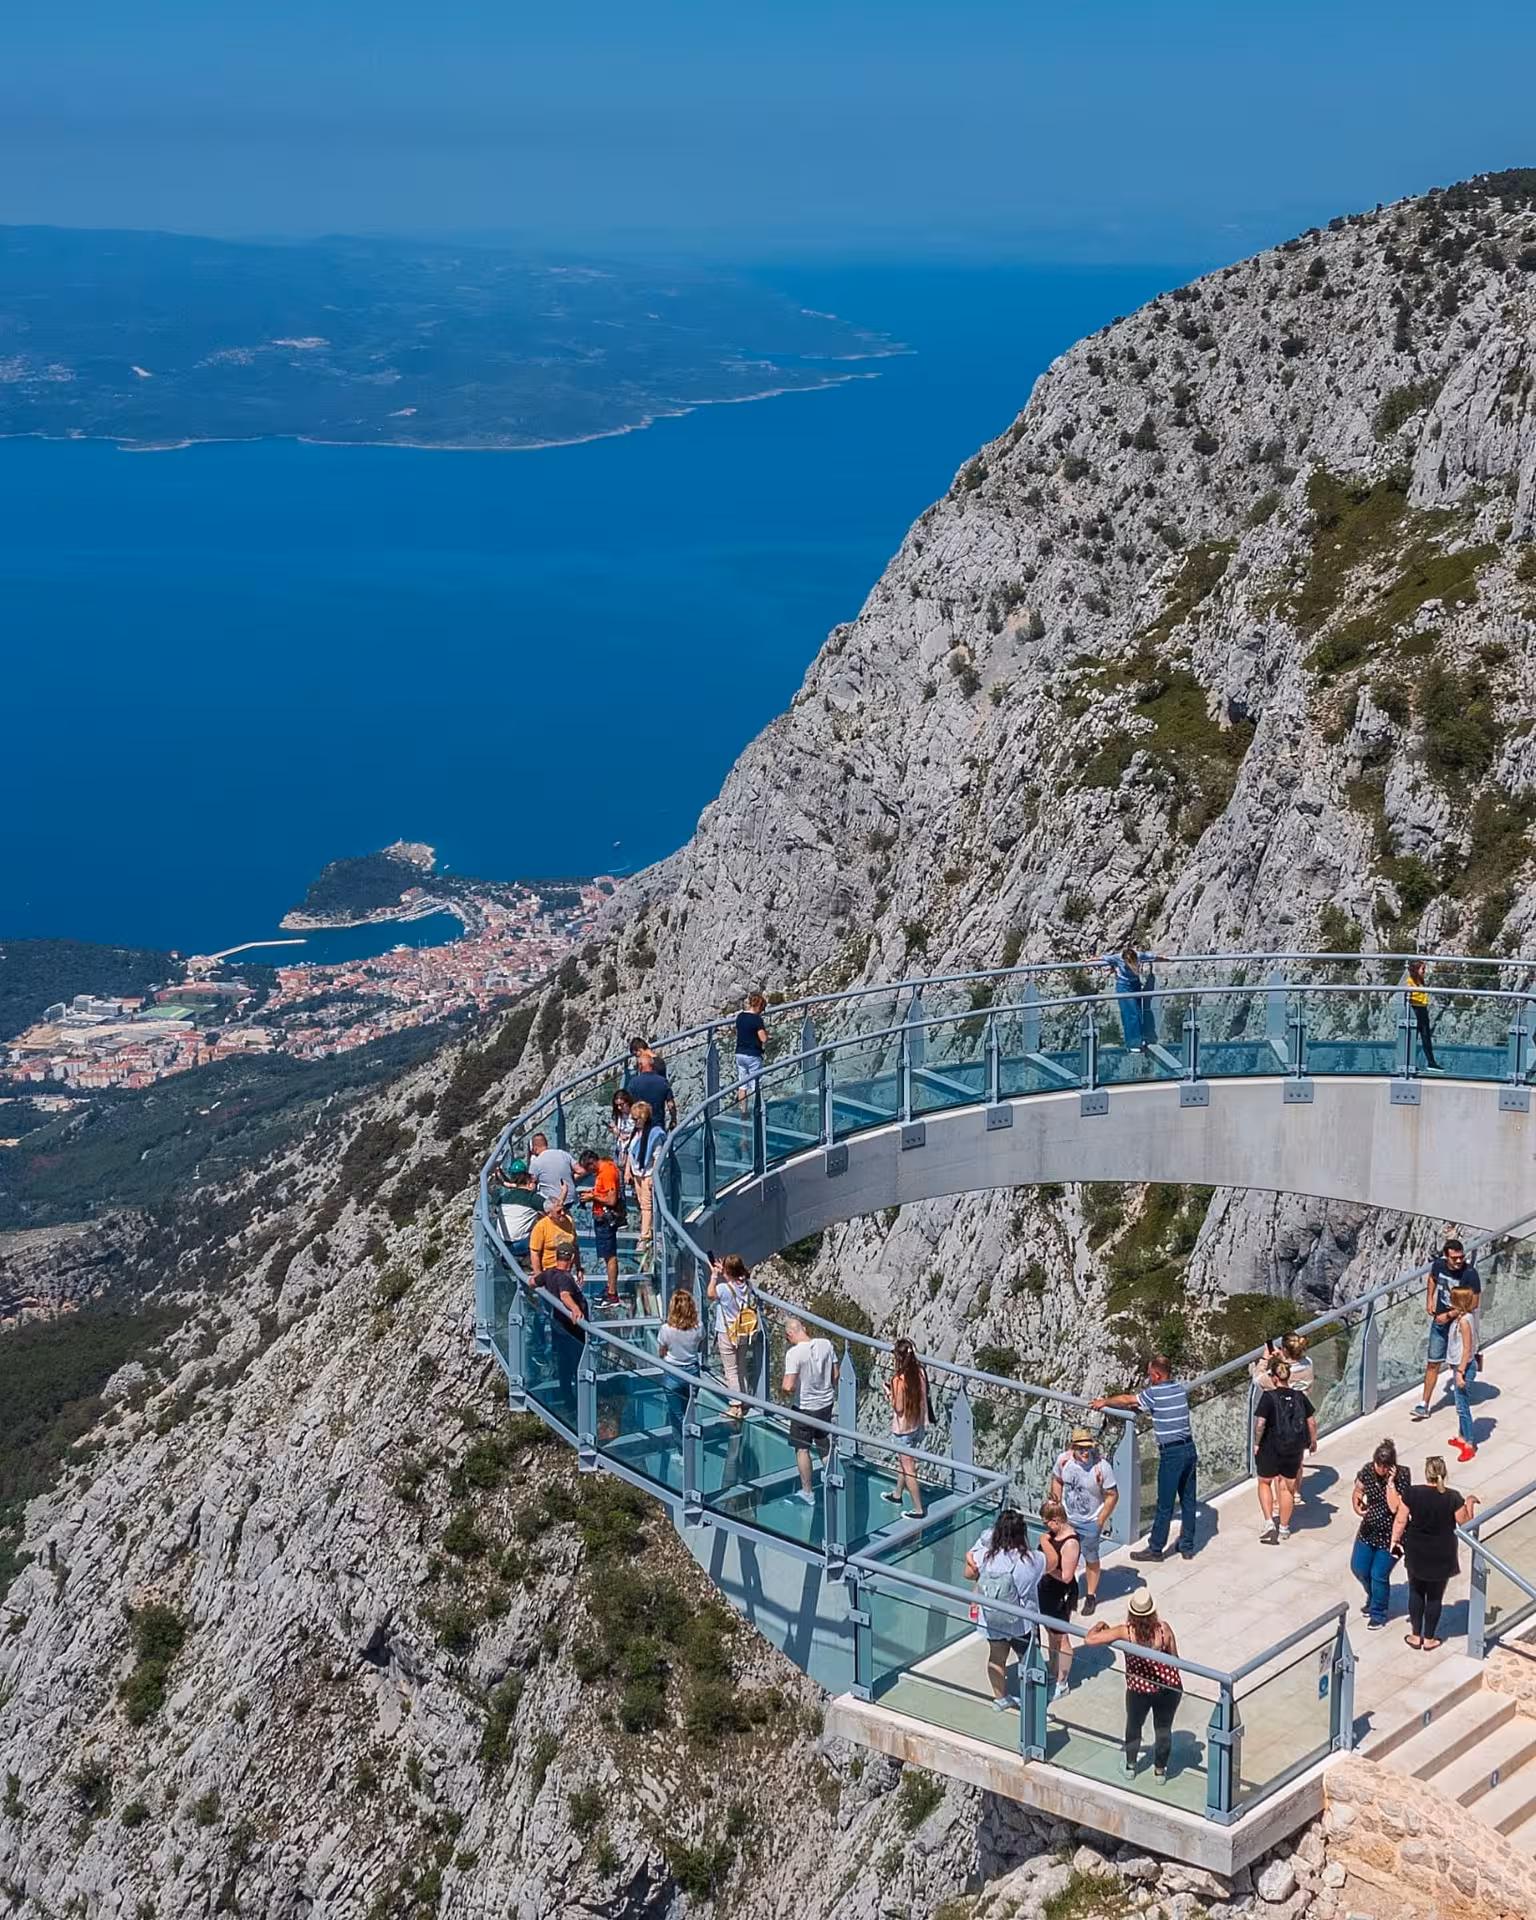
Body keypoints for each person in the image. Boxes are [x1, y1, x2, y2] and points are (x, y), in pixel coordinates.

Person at [1093, 1357, 1198, 1561]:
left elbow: (1126, 1400)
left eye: (1150, 1375)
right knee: (1188, 1499)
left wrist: (1104, 1402)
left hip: (1172, 1453)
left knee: (1165, 1504)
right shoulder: (1178, 1388)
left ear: (1157, 1375)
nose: (1149, 1379)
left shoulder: (1155, 1393)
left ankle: (1156, 1548)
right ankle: (1187, 1546)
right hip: (1189, 1448)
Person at [1084, 1589, 1184, 1781]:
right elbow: (1175, 1659)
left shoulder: (1126, 1632)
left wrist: (1099, 1625)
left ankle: (1130, 1766)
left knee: (1134, 1725)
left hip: (1139, 1689)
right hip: (1168, 1688)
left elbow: (1090, 1639)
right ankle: (1160, 1771)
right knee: (1163, 1729)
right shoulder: (1164, 1629)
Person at [1388, 1456, 1480, 1650]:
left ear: (1426, 1473)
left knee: (1416, 1592)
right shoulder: (1453, 1497)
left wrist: (1394, 1541)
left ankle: (1415, 1635)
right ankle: (1429, 1638)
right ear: (1444, 1474)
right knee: (1435, 1597)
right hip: (1442, 1554)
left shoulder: (1412, 1493)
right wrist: (1469, 1502)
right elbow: (1467, 1524)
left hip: (1416, 1551)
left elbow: (1400, 1520)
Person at [964, 1509, 1045, 1712]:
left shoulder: (985, 1556)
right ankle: (1031, 1703)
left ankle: (1000, 1698)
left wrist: (971, 1555)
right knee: (1029, 1661)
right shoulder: (1032, 1560)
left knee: (996, 1657)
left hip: (991, 1619)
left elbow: (967, 1574)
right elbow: (1051, 1564)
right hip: (1021, 1623)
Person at [1050, 1426, 1119, 1615]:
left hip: (1090, 1522)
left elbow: (1112, 1494)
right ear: (1073, 1447)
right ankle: (1067, 1590)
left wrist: (1100, 1520)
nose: (1085, 1452)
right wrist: (1056, 1504)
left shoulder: (1101, 1467)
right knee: (1062, 1557)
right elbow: (1057, 1480)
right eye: (1081, 1448)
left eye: (1088, 1448)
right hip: (1067, 1519)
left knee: (1091, 1558)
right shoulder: (1064, 1461)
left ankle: (1090, 1595)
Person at [1411, 1238, 1482, 1422]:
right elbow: (1432, 1279)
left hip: (1459, 1324)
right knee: (1433, 1362)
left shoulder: (1470, 1274)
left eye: (1461, 1257)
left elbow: (1474, 1302)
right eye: (1454, 1258)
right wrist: (1429, 1299)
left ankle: (1462, 1400)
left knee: (1459, 1362)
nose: (1459, 1261)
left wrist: (1450, 1315)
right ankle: (1424, 1404)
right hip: (1440, 1322)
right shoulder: (1439, 1266)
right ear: (1446, 1257)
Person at [1254, 1358, 1317, 1544]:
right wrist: (1312, 1441)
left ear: (1274, 1378)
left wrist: (1257, 1443)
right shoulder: (1299, 1396)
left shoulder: (1268, 1397)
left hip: (1270, 1447)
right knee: (1287, 1487)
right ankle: (1284, 1527)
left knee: (1264, 1482)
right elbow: (1311, 1421)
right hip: (1293, 1448)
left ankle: (1269, 1522)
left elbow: (1260, 1423)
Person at [1352, 1438, 1410, 1632]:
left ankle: (1378, 1611)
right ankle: (1374, 1595)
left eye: (1385, 1467)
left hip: (1391, 1535)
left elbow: (1395, 1507)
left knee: (1379, 1574)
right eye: (1378, 1464)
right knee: (1359, 1568)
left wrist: (1390, 1483)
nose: (1380, 1469)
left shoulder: (1402, 1476)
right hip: (1369, 1529)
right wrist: (1357, 1501)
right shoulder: (1368, 1471)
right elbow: (1358, 1488)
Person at [782, 1316, 839, 1506]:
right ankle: (835, 1480)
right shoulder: (826, 1344)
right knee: (824, 1444)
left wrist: (794, 1384)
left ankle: (807, 1492)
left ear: (790, 1334)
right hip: (825, 1403)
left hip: (805, 1408)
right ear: (803, 1328)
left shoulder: (794, 1354)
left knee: (802, 1449)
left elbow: (788, 1386)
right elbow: (836, 1374)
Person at [1036, 1500, 1082, 1700]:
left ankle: (1062, 1683)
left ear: (1056, 1520)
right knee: (1051, 1633)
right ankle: (1053, 1670)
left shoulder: (1070, 1543)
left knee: (1062, 1637)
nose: (1046, 1527)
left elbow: (1066, 1576)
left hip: (1059, 1594)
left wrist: (1044, 1567)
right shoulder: (1051, 1536)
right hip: (1046, 1591)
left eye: (1047, 1523)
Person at [881, 1337, 929, 1519]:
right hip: (918, 1425)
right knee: (903, 1461)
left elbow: (898, 1407)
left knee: (908, 1468)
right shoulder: (920, 1373)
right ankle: (897, 1494)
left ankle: (918, 1509)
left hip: (903, 1430)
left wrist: (889, 1393)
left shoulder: (898, 1380)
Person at [536, 1242, 588, 1410]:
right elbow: (565, 1295)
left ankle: (568, 1400)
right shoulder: (565, 1277)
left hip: (558, 1327)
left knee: (564, 1366)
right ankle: (578, 1403)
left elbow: (531, 1281)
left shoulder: (549, 1273)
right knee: (576, 1366)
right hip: (572, 1332)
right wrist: (575, 1309)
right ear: (572, 1258)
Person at [576, 1146, 627, 1304]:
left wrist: (593, 1198)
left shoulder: (607, 1173)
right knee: (607, 1256)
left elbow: (611, 1200)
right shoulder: (605, 1168)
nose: (589, 1172)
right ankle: (609, 1287)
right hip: (602, 1218)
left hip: (606, 1219)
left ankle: (612, 1293)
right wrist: (594, 1194)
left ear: (592, 1163)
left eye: (588, 1169)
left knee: (609, 1256)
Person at [709, 1254, 756, 1418]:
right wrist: (727, 1273)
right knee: (741, 1367)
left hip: (727, 1332)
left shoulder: (723, 1289)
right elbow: (737, 1280)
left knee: (730, 1370)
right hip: (743, 1331)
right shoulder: (748, 1285)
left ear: (727, 1271)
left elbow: (710, 1294)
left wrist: (715, 1275)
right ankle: (745, 1400)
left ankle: (735, 1406)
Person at [1097, 941, 1162, 1055]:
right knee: (1131, 1015)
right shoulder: (1118, 958)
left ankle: (1139, 1039)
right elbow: (1104, 958)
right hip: (1123, 987)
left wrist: (1165, 959)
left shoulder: (1139, 955)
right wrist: (1089, 960)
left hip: (1135, 985)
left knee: (1138, 1012)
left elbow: (1152, 956)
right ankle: (1133, 1044)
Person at [657, 1287, 703, 1443]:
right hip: (692, 1372)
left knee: (677, 1415)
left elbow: (661, 1352)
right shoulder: (699, 1327)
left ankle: (683, 1450)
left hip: (672, 1373)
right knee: (690, 1410)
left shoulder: (666, 1329)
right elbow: (699, 1345)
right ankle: (694, 1442)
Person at [625, 1100, 667, 1260]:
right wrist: (628, 1170)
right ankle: (648, 1231)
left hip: (648, 1173)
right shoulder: (636, 1133)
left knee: (647, 1206)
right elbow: (630, 1151)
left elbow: (658, 1156)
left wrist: (653, 1177)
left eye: (636, 1119)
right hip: (637, 1172)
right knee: (642, 1204)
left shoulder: (655, 1134)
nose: (634, 1122)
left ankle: (645, 1236)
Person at [1448, 1285, 1480, 1462]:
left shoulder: (1464, 1321)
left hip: (1464, 1368)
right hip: (1459, 1366)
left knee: (1462, 1406)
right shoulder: (1463, 1318)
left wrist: (1460, 1372)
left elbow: (1467, 1348)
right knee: (1460, 1405)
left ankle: (1469, 1443)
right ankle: (1461, 1437)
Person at [494, 1158, 543, 1258]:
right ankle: (536, 1265)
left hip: (500, 1244)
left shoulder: (503, 1198)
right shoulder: (532, 1199)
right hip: (520, 1245)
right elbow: (553, 1209)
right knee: (544, 1226)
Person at [529, 1196, 583, 1282]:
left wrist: (579, 1268)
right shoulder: (541, 1227)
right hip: (549, 1272)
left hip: (567, 1271)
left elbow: (575, 1246)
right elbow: (535, 1253)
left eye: (563, 1210)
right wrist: (539, 1276)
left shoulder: (569, 1221)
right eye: (558, 1212)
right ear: (549, 1213)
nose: (562, 1213)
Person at [624, 1047, 677, 1133]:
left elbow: (627, 1105)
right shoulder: (662, 1081)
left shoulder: (633, 1083)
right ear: (652, 1065)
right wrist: (673, 1119)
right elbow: (670, 1104)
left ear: (640, 1066)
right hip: (658, 1127)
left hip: (640, 1128)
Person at [1403, 959, 1442, 1073]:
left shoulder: (1421, 981)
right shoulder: (1410, 982)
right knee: (1412, 1038)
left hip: (1423, 1009)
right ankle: (1409, 1063)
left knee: (1426, 1037)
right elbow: (1406, 997)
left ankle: (1431, 1062)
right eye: (1422, 969)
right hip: (1415, 1010)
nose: (1424, 971)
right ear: (1416, 970)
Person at [734, 992, 769, 1108]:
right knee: (755, 1085)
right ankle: (758, 1111)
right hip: (753, 1055)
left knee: (742, 1085)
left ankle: (743, 1112)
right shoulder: (756, 1020)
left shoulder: (740, 1016)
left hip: (739, 1053)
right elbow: (763, 1038)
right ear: (759, 1007)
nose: (762, 1012)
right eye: (762, 1009)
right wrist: (768, 1036)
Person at [528, 1131, 580, 1207]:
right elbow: (580, 1170)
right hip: (570, 1200)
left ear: (535, 1148)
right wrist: (572, 1179)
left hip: (552, 1205)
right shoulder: (563, 1153)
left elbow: (530, 1184)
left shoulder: (536, 1162)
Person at [609, 1089, 637, 1192]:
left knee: (633, 1179)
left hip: (632, 1150)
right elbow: (613, 1127)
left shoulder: (634, 1114)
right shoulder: (618, 1115)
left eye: (622, 1104)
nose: (619, 1107)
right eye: (617, 1105)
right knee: (619, 1181)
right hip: (620, 1148)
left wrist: (628, 1136)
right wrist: (615, 1131)